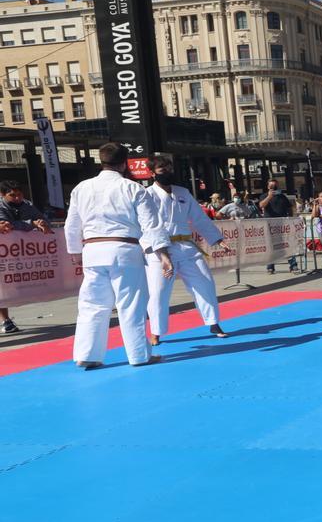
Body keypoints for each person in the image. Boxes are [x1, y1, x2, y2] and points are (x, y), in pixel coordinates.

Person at [65, 143, 173, 369]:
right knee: (131, 305)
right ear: (124, 164)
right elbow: (151, 225)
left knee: (92, 304)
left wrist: (75, 252)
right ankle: (139, 355)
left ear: (101, 161)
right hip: (124, 250)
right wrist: (163, 253)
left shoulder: (82, 188)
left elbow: (72, 224)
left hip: (92, 250)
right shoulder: (133, 189)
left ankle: (87, 354)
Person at [142, 156, 231, 346]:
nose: (167, 171)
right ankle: (156, 332)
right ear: (152, 174)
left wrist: (217, 239)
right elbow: (145, 226)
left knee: (205, 282)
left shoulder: (182, 192)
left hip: (186, 247)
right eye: (161, 169)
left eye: (169, 167)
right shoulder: (146, 195)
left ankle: (213, 322)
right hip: (160, 249)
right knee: (158, 292)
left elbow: (199, 218)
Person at [0, 180, 54, 334]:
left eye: (19, 194)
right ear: (2, 195)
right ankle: (6, 320)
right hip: (5, 254)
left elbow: (43, 221)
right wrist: (32, 223)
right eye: (12, 196)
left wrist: (42, 223)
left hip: (18, 253)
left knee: (7, 286)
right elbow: (7, 225)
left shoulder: (27, 205)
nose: (17, 198)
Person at [260, 179, 296, 274]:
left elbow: (289, 208)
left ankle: (293, 265)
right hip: (270, 225)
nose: (273, 188)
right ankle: (270, 267)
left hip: (282, 224)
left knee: (287, 244)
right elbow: (261, 205)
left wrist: (291, 218)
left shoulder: (282, 197)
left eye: (275, 186)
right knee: (271, 246)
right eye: (272, 186)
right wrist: (269, 196)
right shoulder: (264, 196)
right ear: (268, 187)